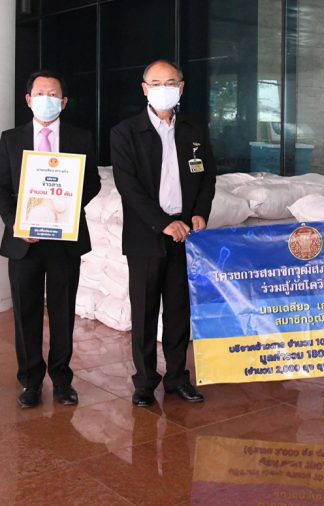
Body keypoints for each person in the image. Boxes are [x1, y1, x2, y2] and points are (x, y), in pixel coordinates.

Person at [0, 70, 101, 408]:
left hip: (65, 240)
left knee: (63, 310)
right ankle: (30, 381)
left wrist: (67, 209)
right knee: (26, 312)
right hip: (24, 242)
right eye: (40, 93)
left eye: (53, 94)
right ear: (28, 100)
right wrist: (16, 223)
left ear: (64, 102)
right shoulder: (11, 139)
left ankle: (63, 379)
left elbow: (93, 183)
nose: (47, 99)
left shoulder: (81, 138)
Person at [110, 59, 216, 407]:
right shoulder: (125, 132)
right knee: (143, 311)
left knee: (178, 310)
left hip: (185, 235)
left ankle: (176, 377)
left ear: (181, 88)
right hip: (146, 235)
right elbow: (128, 186)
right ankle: (144, 382)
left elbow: (207, 178)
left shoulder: (194, 130)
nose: (163, 89)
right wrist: (162, 222)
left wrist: (199, 212)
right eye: (155, 83)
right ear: (144, 89)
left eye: (170, 83)